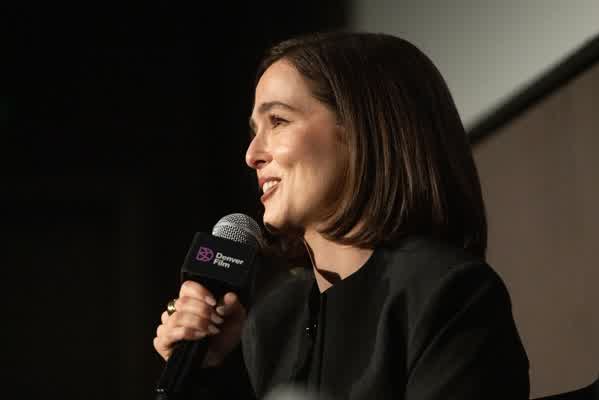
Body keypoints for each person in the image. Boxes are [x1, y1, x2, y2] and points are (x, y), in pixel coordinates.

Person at [153, 31, 530, 399]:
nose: (252, 155)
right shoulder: (272, 322)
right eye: (255, 130)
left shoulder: (446, 293)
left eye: (278, 121)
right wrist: (210, 374)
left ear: (362, 128)